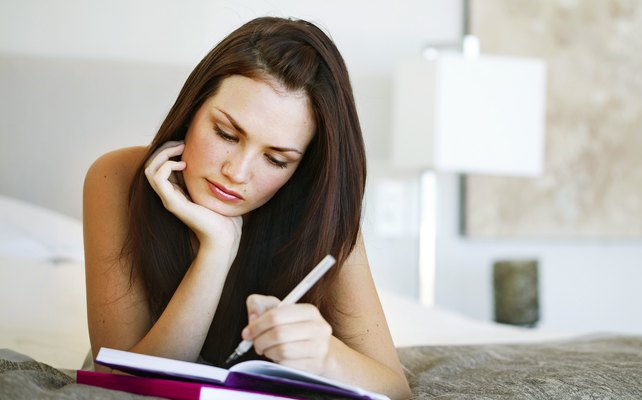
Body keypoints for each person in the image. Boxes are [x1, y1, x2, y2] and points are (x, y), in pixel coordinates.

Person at [82, 16, 410, 399]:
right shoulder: (118, 178)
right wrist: (216, 251)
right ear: (192, 109)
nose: (235, 173)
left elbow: (396, 390)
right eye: (225, 133)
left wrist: (326, 356)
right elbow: (120, 382)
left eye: (276, 160)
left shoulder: (320, 218)